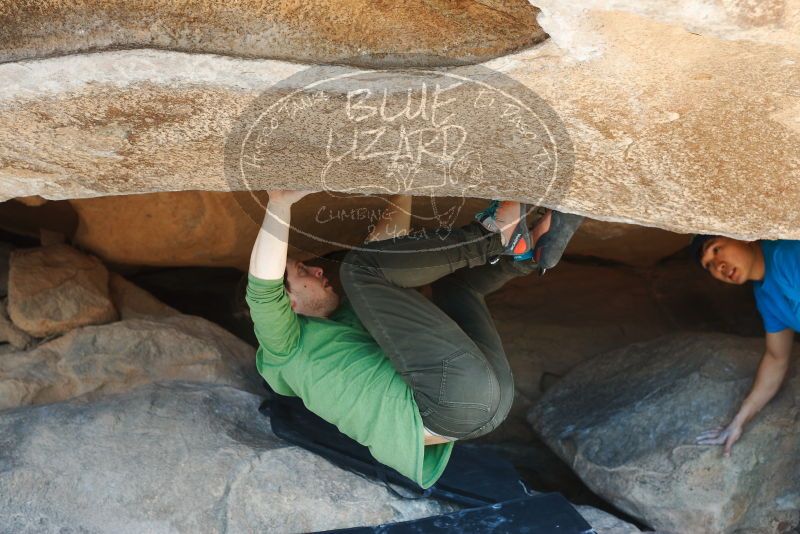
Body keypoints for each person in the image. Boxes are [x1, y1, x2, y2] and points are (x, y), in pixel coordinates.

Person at [245, 191, 581, 488]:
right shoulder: (284, 348)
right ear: (287, 303)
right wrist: (279, 203)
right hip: (451, 402)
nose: (318, 271)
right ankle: (495, 235)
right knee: (357, 268)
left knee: (456, 285)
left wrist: (403, 188)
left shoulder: (348, 321)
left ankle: (528, 252)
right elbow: (263, 291)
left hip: (486, 405)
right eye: (301, 272)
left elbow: (384, 250)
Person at [693, 235, 798, 456]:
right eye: (709, 265)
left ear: (744, 236)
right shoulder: (764, 294)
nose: (718, 265)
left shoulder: (786, 254)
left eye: (717, 249)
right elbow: (776, 358)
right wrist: (739, 421)